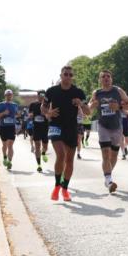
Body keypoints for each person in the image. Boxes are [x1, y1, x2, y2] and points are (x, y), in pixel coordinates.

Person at [42, 66, 89, 201]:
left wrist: (81, 103)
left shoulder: (78, 92)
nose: (68, 77)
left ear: (72, 77)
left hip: (71, 127)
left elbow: (88, 112)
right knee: (61, 155)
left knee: (69, 160)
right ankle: (57, 186)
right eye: (65, 74)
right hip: (56, 125)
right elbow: (43, 108)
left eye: (70, 75)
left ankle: (65, 189)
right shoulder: (51, 91)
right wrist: (48, 113)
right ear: (61, 75)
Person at [88, 69, 128, 193]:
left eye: (108, 76)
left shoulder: (118, 91)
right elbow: (88, 110)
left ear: (111, 79)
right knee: (105, 154)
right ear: (100, 80)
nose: (106, 78)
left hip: (117, 127)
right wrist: (91, 107)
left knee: (114, 155)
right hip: (103, 126)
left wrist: (118, 107)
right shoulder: (96, 93)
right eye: (103, 77)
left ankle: (108, 176)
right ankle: (109, 180)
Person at [0, 90, 19, 169]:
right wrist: (3, 113)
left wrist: (17, 115)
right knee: (4, 145)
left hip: (11, 127)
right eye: (7, 95)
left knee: (10, 146)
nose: (9, 96)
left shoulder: (15, 105)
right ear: (5, 96)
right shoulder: (0, 105)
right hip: (3, 127)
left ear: (12, 96)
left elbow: (17, 114)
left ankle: (9, 162)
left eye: (10, 95)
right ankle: (5, 157)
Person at [27, 91, 49, 172]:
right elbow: (29, 115)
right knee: (37, 146)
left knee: (45, 147)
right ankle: (39, 165)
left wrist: (47, 115)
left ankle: (43, 153)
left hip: (45, 128)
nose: (42, 96)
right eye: (40, 95)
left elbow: (50, 116)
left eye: (44, 95)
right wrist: (31, 115)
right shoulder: (33, 104)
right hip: (36, 128)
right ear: (38, 95)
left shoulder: (48, 104)